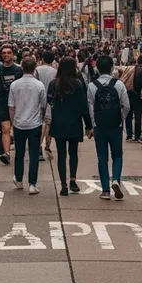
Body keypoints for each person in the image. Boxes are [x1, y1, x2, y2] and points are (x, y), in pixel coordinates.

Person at [88, 54, 130, 201]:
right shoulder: (118, 85)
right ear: (111, 68)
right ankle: (116, 179)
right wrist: (121, 118)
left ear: (97, 68)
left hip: (99, 126)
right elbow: (126, 106)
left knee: (102, 158)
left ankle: (105, 190)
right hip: (116, 126)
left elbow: (90, 108)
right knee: (117, 155)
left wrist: (93, 125)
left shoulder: (92, 86)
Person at [47, 57, 92, 196]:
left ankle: (63, 185)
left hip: (59, 123)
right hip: (74, 122)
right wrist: (89, 125)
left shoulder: (54, 83)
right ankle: (73, 179)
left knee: (61, 154)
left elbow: (49, 102)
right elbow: (83, 105)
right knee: (73, 153)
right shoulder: (77, 84)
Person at [8, 57, 47, 195]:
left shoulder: (14, 85)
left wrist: (13, 122)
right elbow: (43, 105)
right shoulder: (39, 85)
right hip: (34, 123)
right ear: (34, 68)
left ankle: (18, 179)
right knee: (34, 154)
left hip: (19, 123)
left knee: (19, 153)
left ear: (22, 68)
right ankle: (32, 183)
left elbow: (11, 107)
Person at [0, 45, 23, 165]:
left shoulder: (18, 70)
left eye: (9, 52)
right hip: (2, 104)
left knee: (17, 129)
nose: (6, 55)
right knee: (5, 128)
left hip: (17, 105)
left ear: (13, 54)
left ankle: (19, 152)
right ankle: (7, 153)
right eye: (4, 53)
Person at [36, 51, 57, 158]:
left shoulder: (37, 70)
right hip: (51, 100)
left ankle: (38, 145)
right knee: (49, 124)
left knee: (40, 124)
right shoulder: (55, 72)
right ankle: (47, 145)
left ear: (43, 58)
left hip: (38, 100)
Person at [128, 55, 142, 143]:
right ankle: (136, 135)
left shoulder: (132, 69)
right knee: (137, 115)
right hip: (138, 95)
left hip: (129, 93)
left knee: (128, 114)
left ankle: (129, 134)